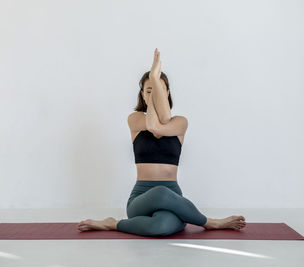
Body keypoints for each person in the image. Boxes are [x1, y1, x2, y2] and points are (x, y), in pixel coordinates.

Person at [78, 48, 246, 236]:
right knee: (160, 192)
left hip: (173, 197)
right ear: (142, 95)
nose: (154, 94)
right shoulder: (135, 119)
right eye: (149, 90)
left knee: (161, 227)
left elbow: (160, 125)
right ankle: (211, 223)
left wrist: (154, 80)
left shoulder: (180, 122)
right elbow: (152, 126)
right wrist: (154, 79)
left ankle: (113, 224)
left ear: (167, 93)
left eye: (160, 89)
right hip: (140, 199)